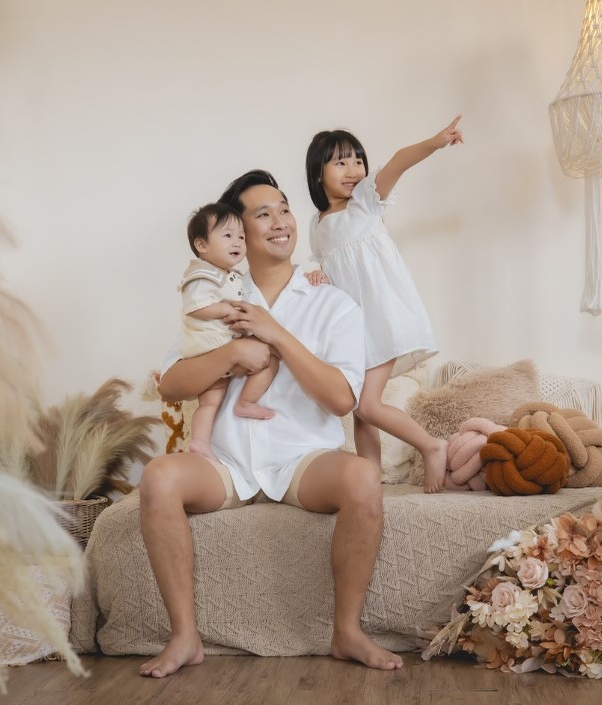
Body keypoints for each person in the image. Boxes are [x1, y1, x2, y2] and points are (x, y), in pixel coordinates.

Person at [138, 169, 403, 678]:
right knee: (158, 477)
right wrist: (234, 351)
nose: (280, 222)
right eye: (262, 214)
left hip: (303, 459)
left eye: (283, 209)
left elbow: (342, 400)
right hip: (227, 460)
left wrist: (277, 334)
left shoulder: (333, 301)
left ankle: (347, 632)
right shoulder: (213, 301)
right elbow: (171, 385)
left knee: (363, 477)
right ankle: (185, 637)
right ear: (235, 232)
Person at [304, 116, 464, 493]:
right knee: (362, 412)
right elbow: (330, 272)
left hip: (383, 319)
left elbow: (398, 161)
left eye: (357, 160)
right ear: (317, 174)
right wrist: (318, 275)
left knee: (366, 405)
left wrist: (436, 141)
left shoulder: (365, 203)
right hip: (354, 330)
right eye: (340, 162)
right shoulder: (316, 225)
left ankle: (431, 445)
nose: (353, 169)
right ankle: (369, 480)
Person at [178, 202, 279, 461]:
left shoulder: (228, 275)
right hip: (211, 347)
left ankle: (200, 442)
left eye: (241, 237)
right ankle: (246, 401)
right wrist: (227, 310)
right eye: (227, 235)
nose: (237, 242)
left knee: (210, 402)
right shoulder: (202, 275)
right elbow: (196, 307)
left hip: (217, 349)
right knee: (270, 357)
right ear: (202, 245)